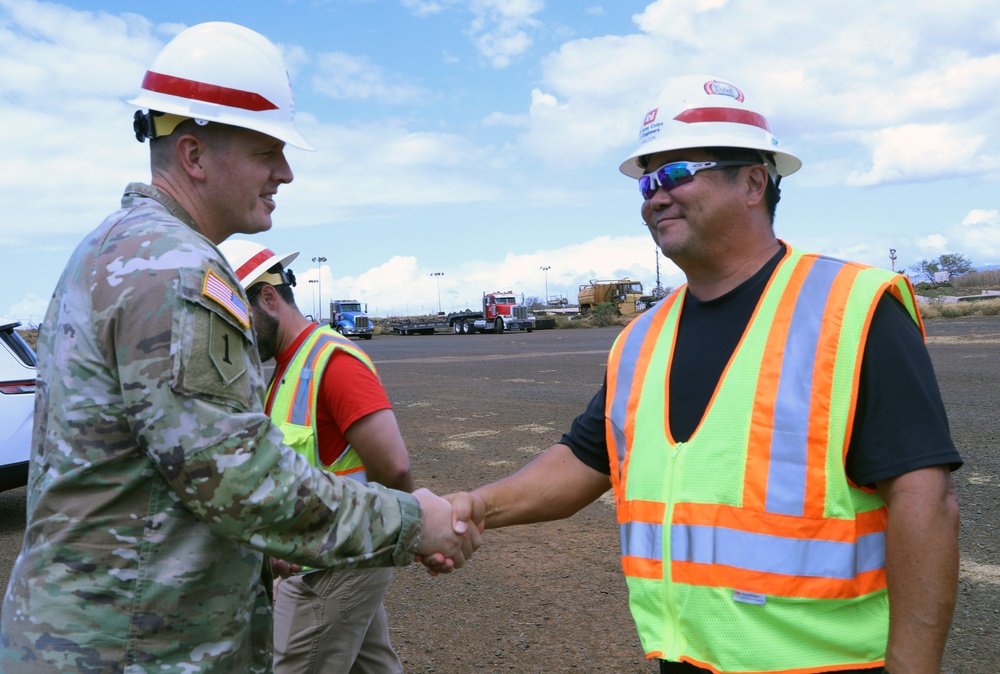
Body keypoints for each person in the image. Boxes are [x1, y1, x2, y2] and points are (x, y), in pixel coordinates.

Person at [0, 22, 477, 673]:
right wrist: (413, 521)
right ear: (194, 156)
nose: (284, 172)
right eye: (265, 152)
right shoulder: (180, 271)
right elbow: (242, 484)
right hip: (137, 649)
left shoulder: (111, 249)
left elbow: (151, 474)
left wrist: (249, 552)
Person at [445, 75, 961, 674]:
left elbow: (926, 502)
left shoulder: (853, 308)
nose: (653, 196)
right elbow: (584, 461)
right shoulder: (643, 338)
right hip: (686, 659)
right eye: (646, 181)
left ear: (752, 181)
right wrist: (469, 505)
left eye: (674, 174)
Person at [220, 239, 411, 674]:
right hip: (326, 558)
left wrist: (401, 535)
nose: (236, 334)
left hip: (334, 564)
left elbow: (395, 466)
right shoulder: (286, 370)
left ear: (269, 298)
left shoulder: (333, 361)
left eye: (237, 319)